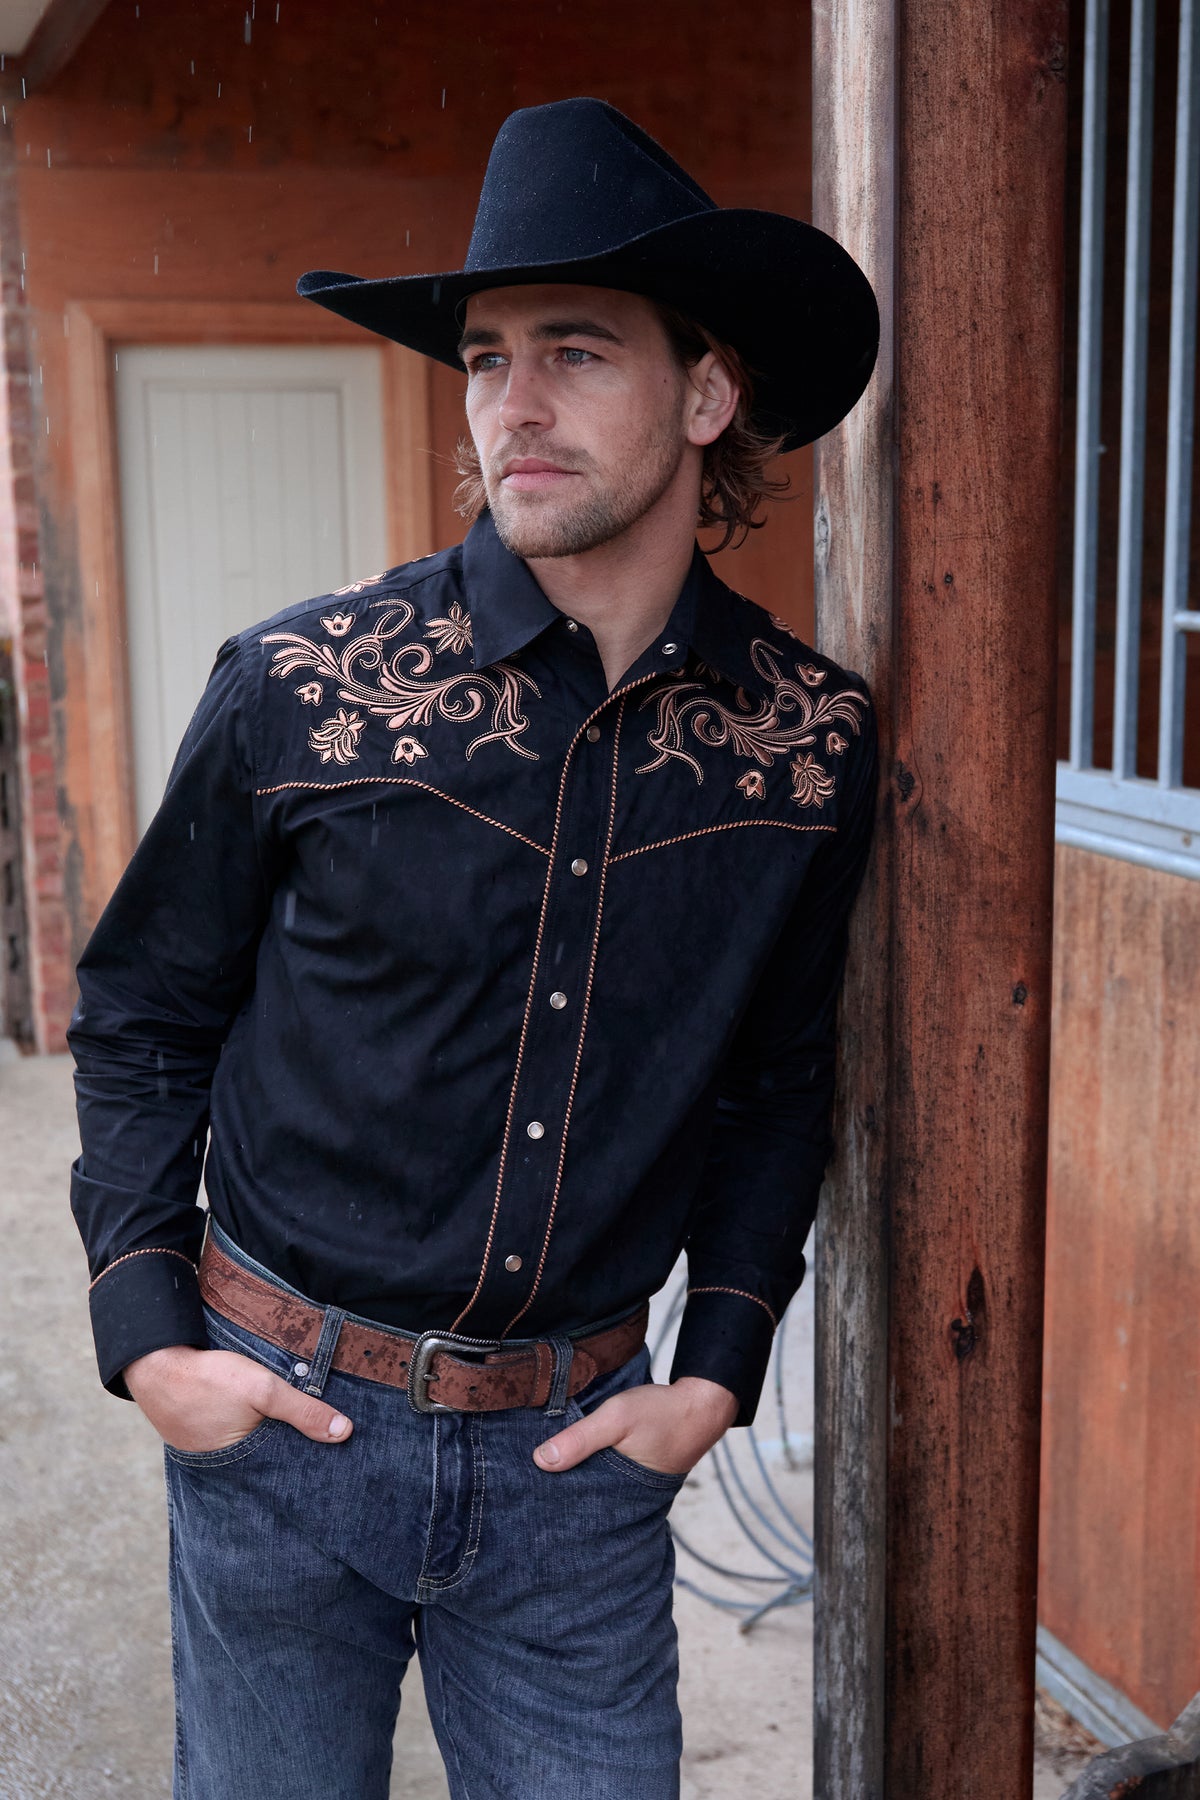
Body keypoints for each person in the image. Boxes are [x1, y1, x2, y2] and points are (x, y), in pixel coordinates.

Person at [68, 97, 879, 1800]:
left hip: (576, 1470)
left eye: (576, 353)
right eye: (487, 357)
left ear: (707, 392)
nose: (513, 402)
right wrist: (148, 1333)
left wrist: (715, 1368)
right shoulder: (303, 684)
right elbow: (145, 1005)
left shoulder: (803, 747)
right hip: (286, 1428)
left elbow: (781, 1079)